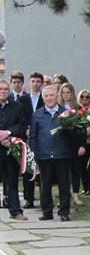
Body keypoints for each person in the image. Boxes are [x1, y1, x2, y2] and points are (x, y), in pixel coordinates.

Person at [29, 84, 71, 221]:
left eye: (51, 95)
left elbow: (72, 134)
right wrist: (35, 153)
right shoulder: (37, 115)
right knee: (45, 185)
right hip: (44, 154)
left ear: (56, 96)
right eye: (46, 96)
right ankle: (47, 211)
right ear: (43, 97)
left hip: (61, 154)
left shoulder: (65, 114)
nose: (49, 98)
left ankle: (64, 212)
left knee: (64, 184)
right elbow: (33, 136)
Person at [0, 80, 28, 221]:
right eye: (1, 89)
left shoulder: (18, 107)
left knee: (12, 181)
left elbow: (22, 126)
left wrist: (8, 133)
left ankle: (16, 211)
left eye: (5, 89)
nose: (3, 91)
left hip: (11, 149)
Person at [57, 83, 85, 206]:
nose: (66, 95)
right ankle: (63, 195)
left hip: (75, 143)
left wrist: (82, 145)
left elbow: (83, 128)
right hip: (62, 143)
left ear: (72, 93)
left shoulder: (78, 108)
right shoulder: (58, 108)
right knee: (63, 171)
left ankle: (76, 195)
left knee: (75, 170)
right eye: (63, 93)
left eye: (68, 92)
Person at [22, 72, 45, 208]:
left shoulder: (45, 98)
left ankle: (44, 199)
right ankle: (29, 198)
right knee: (28, 169)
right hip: (27, 138)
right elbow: (20, 116)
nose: (35, 84)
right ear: (29, 83)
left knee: (43, 170)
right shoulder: (23, 99)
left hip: (42, 137)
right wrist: (26, 128)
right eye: (33, 81)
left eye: (38, 81)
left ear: (41, 83)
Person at [76, 89, 90, 195]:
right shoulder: (77, 111)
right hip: (80, 142)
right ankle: (85, 186)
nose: (84, 99)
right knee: (82, 166)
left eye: (87, 97)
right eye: (82, 97)